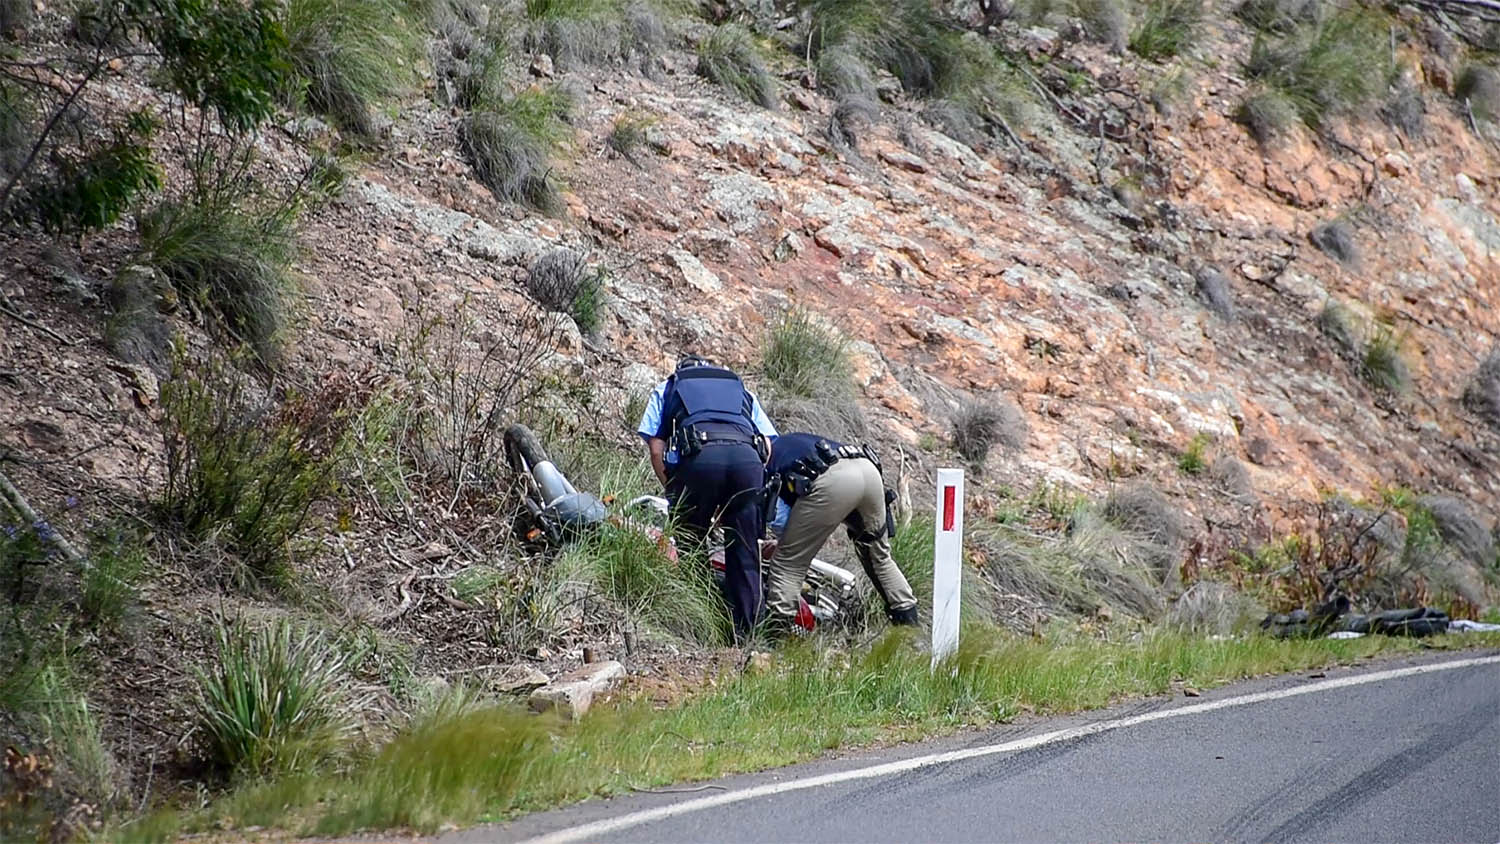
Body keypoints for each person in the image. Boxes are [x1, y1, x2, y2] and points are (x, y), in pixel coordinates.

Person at [637, 355, 777, 639]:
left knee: (691, 538)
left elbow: (655, 448)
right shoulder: (739, 388)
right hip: (748, 463)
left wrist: (673, 490)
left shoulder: (669, 386)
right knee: (745, 548)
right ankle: (748, 636)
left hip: (701, 460)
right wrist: (743, 491)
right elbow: (767, 443)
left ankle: (701, 625)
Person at [763, 432, 919, 631]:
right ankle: (909, 627)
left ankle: (778, 639)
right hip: (867, 469)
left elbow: (782, 522)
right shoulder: (792, 440)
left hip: (832, 480)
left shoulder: (762, 464)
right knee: (879, 557)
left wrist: (777, 545)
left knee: (788, 564)